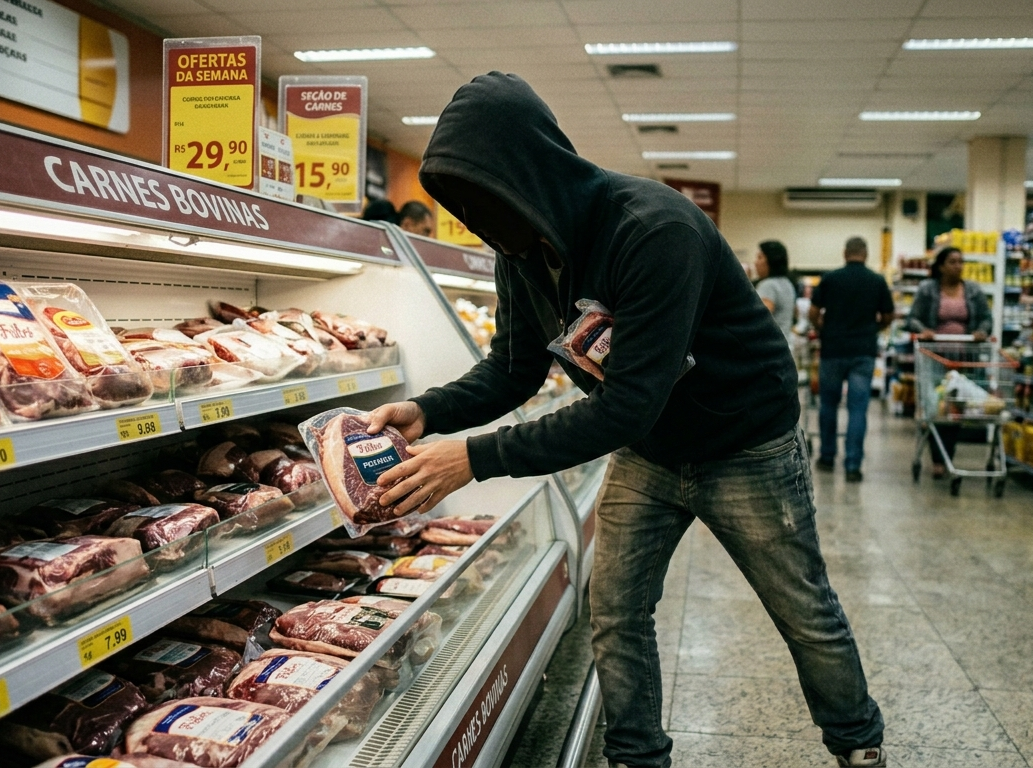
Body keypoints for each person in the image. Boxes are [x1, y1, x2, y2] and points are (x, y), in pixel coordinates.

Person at [364, 73, 886, 768]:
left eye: (483, 195)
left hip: (746, 444)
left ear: (528, 169)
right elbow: (512, 371)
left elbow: (628, 403)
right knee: (614, 612)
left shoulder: (652, 230)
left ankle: (858, 746)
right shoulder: (521, 254)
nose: (476, 217)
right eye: (461, 201)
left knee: (805, 614)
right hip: (649, 452)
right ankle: (637, 756)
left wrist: (474, 458)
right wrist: (427, 411)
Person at [811, 237, 895, 483]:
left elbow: (814, 312)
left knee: (828, 405)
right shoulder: (877, 280)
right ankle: (853, 465)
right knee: (857, 409)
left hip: (833, 350)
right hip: (863, 351)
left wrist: (824, 329)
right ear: (866, 254)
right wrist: (874, 329)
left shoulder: (830, 278)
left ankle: (827, 457)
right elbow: (889, 315)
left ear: (845, 252)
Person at [906, 247, 993, 478]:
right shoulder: (928, 290)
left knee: (956, 409)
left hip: (963, 358)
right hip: (934, 358)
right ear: (941, 266)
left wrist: (981, 332)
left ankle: (947, 456)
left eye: (961, 261)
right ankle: (938, 459)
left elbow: (986, 318)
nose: (958, 266)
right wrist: (923, 330)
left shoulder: (973, 290)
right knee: (937, 408)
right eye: (953, 262)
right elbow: (912, 318)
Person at [755, 239, 796, 340]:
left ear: (771, 260)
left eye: (760, 257)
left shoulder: (768, 285)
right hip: (785, 344)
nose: (755, 262)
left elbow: (760, 319)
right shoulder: (787, 283)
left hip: (770, 347)